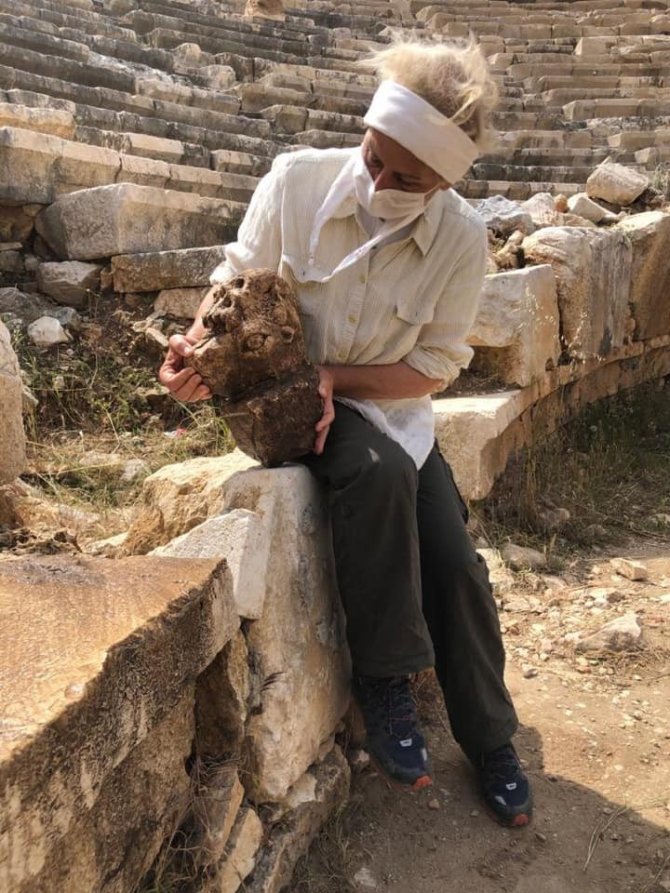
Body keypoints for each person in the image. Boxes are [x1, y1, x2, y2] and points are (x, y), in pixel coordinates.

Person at [159, 38, 533, 827]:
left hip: (386, 407)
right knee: (377, 475)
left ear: (442, 183)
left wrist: (338, 378)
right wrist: (194, 349)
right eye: (376, 158)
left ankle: (492, 737)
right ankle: (386, 681)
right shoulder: (297, 180)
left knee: (457, 563)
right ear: (366, 133)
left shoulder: (461, 240)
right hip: (285, 406)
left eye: (409, 179)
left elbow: (430, 367)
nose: (382, 182)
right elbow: (232, 284)